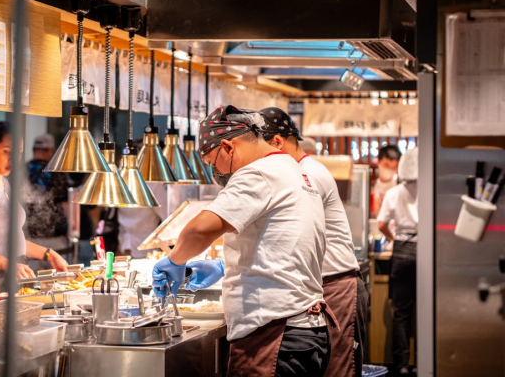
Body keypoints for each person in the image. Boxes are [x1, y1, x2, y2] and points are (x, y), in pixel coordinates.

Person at [152, 105, 333, 377]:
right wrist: (225, 267)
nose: (218, 174)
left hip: (274, 339)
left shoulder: (259, 172)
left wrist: (174, 260)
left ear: (228, 147)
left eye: (214, 163)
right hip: (304, 331)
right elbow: (285, 243)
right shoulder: (293, 170)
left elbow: (199, 231)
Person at [259, 107, 369, 377]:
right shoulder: (300, 172)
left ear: (277, 142)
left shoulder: (308, 174)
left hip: (337, 286)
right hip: (323, 287)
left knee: (339, 372)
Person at [0, 121, 67, 291]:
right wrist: (8, 264)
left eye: (19, 152)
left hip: (17, 272)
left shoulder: (4, 184)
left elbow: (13, 239)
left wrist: (48, 254)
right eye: (7, 152)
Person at [377, 148, 419, 376]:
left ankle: (401, 365)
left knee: (401, 312)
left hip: (402, 249)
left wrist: (395, 239)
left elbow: (382, 224)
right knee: (425, 309)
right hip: (425, 249)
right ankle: (423, 362)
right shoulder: (431, 188)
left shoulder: (395, 192)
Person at [24, 134, 72, 272]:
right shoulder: (57, 172)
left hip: (29, 241)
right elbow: (65, 205)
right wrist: (69, 231)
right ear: (50, 150)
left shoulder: (21, 171)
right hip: (56, 241)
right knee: (59, 284)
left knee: (30, 288)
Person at [118, 183, 168, 258]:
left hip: (146, 247)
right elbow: (167, 216)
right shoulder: (154, 185)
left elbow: (166, 218)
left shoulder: (154, 186)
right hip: (126, 244)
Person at [372, 145, 401, 216]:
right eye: (386, 165)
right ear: (378, 162)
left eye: (394, 167)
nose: (390, 170)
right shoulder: (370, 186)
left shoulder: (400, 185)